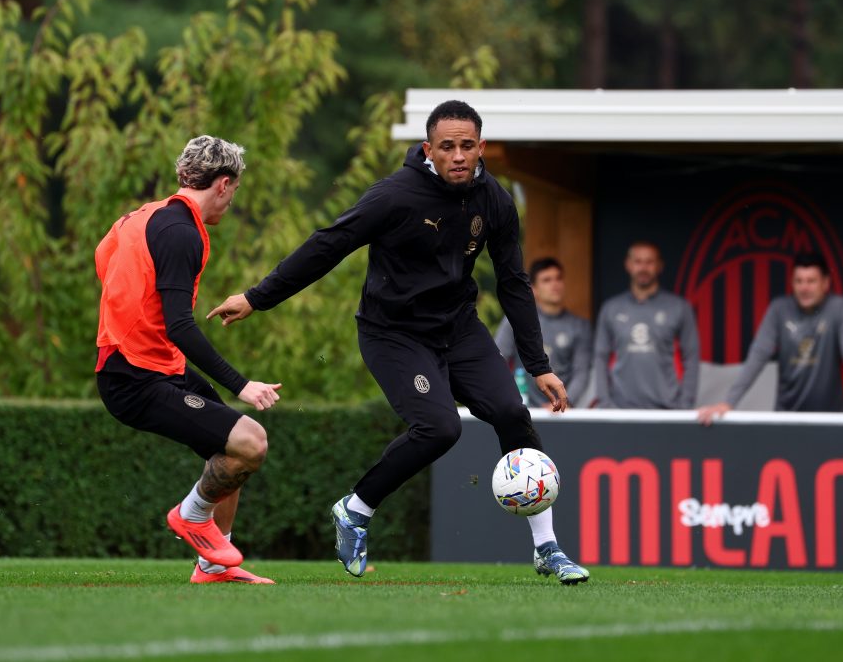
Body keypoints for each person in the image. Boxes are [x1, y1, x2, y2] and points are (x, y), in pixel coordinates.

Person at [207, 100, 590, 584]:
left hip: (458, 328)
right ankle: (355, 509)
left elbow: (514, 281)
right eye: (447, 146)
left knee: (513, 413)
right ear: (429, 149)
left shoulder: (494, 200)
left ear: (481, 148)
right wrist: (257, 297)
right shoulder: (394, 195)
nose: (457, 155)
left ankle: (546, 548)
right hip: (394, 334)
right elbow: (328, 245)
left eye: (466, 146)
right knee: (440, 427)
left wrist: (538, 365)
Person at [95, 135, 282, 585]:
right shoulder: (181, 233)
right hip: (135, 376)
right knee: (252, 442)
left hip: (153, 365)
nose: (230, 202)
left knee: (230, 449)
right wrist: (242, 385)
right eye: (234, 192)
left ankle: (214, 565)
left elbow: (104, 262)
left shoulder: (138, 218)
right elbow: (181, 325)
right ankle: (190, 515)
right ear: (222, 183)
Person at [697, 250, 843, 424]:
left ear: (826, 283)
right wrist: (728, 403)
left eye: (811, 281)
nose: (804, 287)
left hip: (833, 420)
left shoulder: (842, 309)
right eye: (799, 281)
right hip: (787, 419)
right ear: (792, 283)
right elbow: (758, 356)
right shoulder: (779, 309)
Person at [592, 241, 700, 409]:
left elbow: (691, 358)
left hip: (666, 408)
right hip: (620, 408)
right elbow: (600, 357)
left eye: (649, 262)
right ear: (628, 265)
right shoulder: (611, 308)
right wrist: (605, 402)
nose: (643, 268)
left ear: (659, 266)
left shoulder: (679, 307)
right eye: (638, 261)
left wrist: (685, 404)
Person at [494, 257, 592, 408]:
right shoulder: (515, 320)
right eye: (547, 280)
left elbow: (582, 372)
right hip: (523, 408)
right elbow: (498, 360)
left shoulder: (580, 326)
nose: (555, 284)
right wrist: (509, 401)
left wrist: (566, 401)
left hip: (564, 411)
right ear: (534, 289)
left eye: (558, 278)